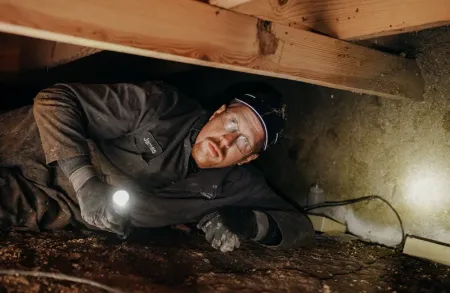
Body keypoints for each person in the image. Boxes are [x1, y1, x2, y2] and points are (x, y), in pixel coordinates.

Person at [0, 81, 315, 252]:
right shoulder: (159, 108)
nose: (227, 140)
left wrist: (248, 223)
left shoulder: (237, 184)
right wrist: (85, 181)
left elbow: (299, 227)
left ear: (249, 158)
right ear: (218, 112)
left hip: (50, 204)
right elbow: (55, 100)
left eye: (244, 142)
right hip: (30, 146)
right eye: (231, 122)